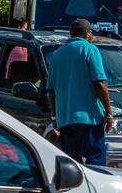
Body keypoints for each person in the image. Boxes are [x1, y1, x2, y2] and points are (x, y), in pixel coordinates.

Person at [46, 18, 114, 166]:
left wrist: (54, 116)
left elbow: (51, 90)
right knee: (96, 162)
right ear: (87, 34)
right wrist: (108, 113)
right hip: (90, 119)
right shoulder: (90, 49)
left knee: (72, 165)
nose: (92, 37)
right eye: (91, 34)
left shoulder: (57, 55)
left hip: (66, 120)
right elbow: (100, 83)